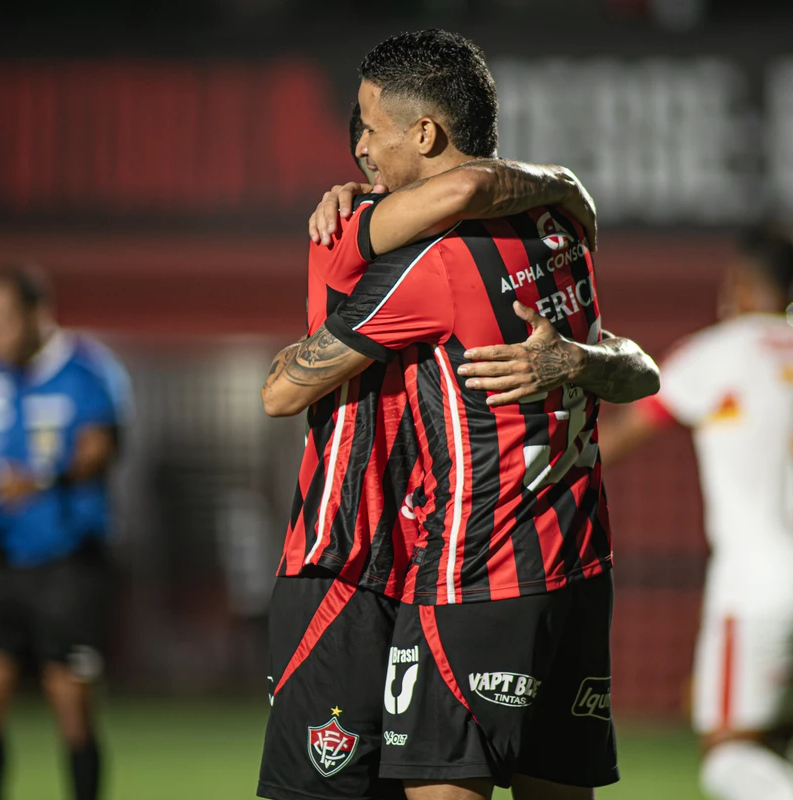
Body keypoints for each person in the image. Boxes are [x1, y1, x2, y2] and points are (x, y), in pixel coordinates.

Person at [262, 29, 661, 800]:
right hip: (577, 561)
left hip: (456, 568)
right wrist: (566, 186)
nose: (360, 151)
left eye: (370, 130)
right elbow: (639, 366)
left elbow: (281, 390)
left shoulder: (429, 261)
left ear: (424, 133)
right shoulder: (563, 226)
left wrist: (351, 237)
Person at [598, 221, 793, 800]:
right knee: (774, 743)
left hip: (761, 580)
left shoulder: (718, 352)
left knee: (728, 757)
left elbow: (616, 439)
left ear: (740, 282)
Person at [0, 266, 131, 800]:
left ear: (38, 314)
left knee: (72, 709)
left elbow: (99, 448)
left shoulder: (84, 370)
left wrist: (43, 477)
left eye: (1, 319)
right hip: (6, 561)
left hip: (71, 562)